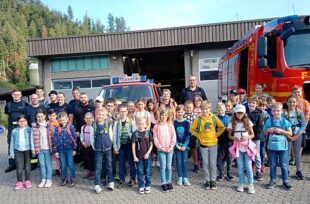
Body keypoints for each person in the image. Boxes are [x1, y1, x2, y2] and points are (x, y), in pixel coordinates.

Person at [190, 101, 225, 190]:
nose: (205, 111)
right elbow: (192, 129)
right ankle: (207, 180)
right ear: (200, 110)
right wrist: (199, 136)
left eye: (206, 109)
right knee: (205, 163)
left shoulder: (214, 117)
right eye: (203, 109)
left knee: (213, 164)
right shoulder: (198, 119)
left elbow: (222, 127)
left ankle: (213, 181)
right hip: (203, 144)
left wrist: (216, 135)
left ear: (210, 109)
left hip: (213, 144)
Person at [263, 102, 293, 190]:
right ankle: (272, 180)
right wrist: (268, 130)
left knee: (283, 164)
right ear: (271, 111)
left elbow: (290, 133)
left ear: (282, 111)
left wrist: (281, 131)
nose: (276, 112)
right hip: (272, 147)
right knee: (273, 164)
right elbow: (264, 132)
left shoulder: (284, 121)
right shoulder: (269, 121)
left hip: (283, 147)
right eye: (274, 111)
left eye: (278, 111)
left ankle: (285, 181)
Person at [228, 104, 256, 194]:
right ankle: (241, 183)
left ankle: (251, 184)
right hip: (238, 147)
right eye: (238, 113)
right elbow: (229, 135)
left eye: (241, 113)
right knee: (240, 166)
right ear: (235, 113)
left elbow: (253, 134)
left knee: (248, 166)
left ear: (244, 113)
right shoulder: (232, 122)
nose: (239, 115)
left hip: (247, 147)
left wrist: (247, 137)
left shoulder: (248, 122)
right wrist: (234, 138)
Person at [4, 89, 29, 173]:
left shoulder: (25, 104)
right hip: (12, 127)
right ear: (12, 95)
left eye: (18, 94)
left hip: (23, 127)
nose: (16, 96)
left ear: (21, 95)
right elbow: (7, 115)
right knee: (11, 144)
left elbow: (27, 116)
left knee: (24, 144)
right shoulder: (8, 105)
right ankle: (12, 164)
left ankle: (25, 164)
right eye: (15, 94)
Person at [283, 95, 306, 180]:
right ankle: (286, 171)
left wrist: (297, 135)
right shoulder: (284, 113)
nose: (292, 103)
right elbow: (281, 125)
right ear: (287, 102)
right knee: (286, 154)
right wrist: (287, 135)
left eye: (293, 102)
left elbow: (303, 125)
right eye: (290, 102)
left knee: (297, 154)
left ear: (296, 103)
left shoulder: (300, 113)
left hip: (297, 135)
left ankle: (298, 171)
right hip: (287, 135)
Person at [113, 105, 136, 188]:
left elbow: (135, 134)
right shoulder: (116, 122)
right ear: (119, 112)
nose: (123, 113)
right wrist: (115, 147)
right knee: (121, 163)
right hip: (121, 146)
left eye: (124, 111)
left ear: (127, 112)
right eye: (121, 111)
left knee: (131, 162)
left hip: (129, 145)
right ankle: (121, 179)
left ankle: (132, 178)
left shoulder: (131, 121)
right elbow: (114, 135)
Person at [153, 109, 176, 192]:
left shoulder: (170, 125)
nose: (163, 117)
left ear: (167, 116)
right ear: (160, 116)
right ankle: (163, 183)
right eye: (162, 115)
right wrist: (160, 147)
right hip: (161, 149)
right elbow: (155, 138)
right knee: (163, 166)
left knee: (169, 166)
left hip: (169, 149)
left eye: (165, 115)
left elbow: (173, 136)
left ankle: (169, 181)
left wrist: (171, 146)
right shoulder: (156, 126)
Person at [53, 112, 78, 187]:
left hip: (69, 149)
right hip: (61, 150)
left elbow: (75, 138)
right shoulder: (57, 128)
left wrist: (75, 149)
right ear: (58, 120)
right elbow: (55, 140)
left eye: (64, 120)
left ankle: (72, 178)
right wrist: (56, 151)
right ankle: (64, 178)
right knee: (63, 164)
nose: (62, 122)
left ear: (67, 119)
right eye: (61, 120)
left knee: (70, 164)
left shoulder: (71, 127)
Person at [9, 115, 34, 190]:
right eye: (20, 121)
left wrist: (33, 150)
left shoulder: (29, 130)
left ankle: (27, 181)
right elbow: (12, 143)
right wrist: (11, 153)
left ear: (26, 121)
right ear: (17, 122)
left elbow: (32, 140)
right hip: (17, 150)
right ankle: (19, 182)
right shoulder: (14, 131)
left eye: (23, 121)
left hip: (27, 149)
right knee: (19, 167)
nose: (22, 122)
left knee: (27, 166)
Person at [93, 108, 114, 194]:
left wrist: (110, 144)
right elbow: (92, 137)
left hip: (108, 148)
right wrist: (94, 147)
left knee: (109, 165)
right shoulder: (94, 125)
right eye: (99, 114)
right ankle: (97, 185)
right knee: (98, 167)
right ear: (97, 115)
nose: (100, 116)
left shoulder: (108, 124)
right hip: (98, 149)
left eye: (102, 115)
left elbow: (111, 134)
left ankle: (111, 182)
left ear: (105, 116)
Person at [32, 109, 53, 188]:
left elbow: (53, 136)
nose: (40, 118)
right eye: (38, 117)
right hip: (39, 149)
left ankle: (49, 179)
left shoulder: (49, 125)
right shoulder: (34, 126)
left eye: (41, 116)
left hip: (47, 148)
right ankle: (43, 179)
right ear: (36, 117)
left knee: (48, 164)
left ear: (45, 116)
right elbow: (32, 138)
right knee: (42, 164)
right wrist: (33, 148)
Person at [132, 118, 153, 194]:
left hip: (147, 156)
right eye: (139, 124)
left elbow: (151, 144)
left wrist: (148, 153)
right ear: (137, 125)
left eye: (142, 124)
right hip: (139, 157)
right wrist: (134, 156)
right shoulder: (135, 133)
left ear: (145, 125)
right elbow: (133, 145)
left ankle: (147, 185)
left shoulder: (148, 133)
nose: (141, 125)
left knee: (148, 171)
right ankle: (141, 186)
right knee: (140, 172)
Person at [247, 96, 264, 181]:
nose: (251, 104)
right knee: (248, 154)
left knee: (256, 154)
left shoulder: (259, 113)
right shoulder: (245, 112)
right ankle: (249, 170)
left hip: (255, 137)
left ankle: (258, 171)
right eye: (250, 103)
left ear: (256, 104)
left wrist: (252, 132)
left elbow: (260, 127)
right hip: (246, 137)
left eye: (253, 103)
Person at [216, 102, 234, 181]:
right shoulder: (215, 118)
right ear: (217, 110)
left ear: (225, 109)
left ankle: (229, 173)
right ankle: (221, 173)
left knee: (229, 157)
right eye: (219, 110)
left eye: (222, 110)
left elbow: (232, 129)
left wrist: (228, 129)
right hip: (219, 141)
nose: (221, 111)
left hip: (228, 140)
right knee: (219, 157)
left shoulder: (229, 118)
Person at [174, 105, 191, 186]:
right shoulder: (174, 122)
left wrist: (185, 145)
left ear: (184, 112)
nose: (180, 113)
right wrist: (176, 144)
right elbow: (172, 135)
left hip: (185, 146)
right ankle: (180, 177)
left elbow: (188, 135)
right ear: (176, 113)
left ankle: (185, 177)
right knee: (178, 161)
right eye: (178, 112)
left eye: (181, 112)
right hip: (177, 145)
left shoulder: (186, 122)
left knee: (184, 161)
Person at [183, 100, 199, 173]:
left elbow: (197, 126)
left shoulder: (195, 116)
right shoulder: (183, 115)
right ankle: (184, 164)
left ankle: (196, 164)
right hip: (184, 135)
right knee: (185, 149)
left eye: (190, 108)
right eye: (187, 107)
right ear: (184, 107)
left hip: (192, 135)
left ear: (193, 108)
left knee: (193, 149)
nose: (188, 109)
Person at [80, 112, 95, 180]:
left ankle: (94, 172)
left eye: (89, 118)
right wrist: (84, 143)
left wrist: (91, 144)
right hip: (86, 146)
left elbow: (95, 137)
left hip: (93, 147)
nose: (88, 120)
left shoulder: (94, 127)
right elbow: (81, 137)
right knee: (88, 159)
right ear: (84, 119)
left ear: (93, 119)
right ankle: (90, 171)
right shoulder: (83, 127)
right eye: (86, 118)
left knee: (93, 159)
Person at [47, 109, 61, 177]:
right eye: (50, 115)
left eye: (53, 115)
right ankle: (56, 169)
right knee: (53, 158)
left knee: (58, 157)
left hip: (58, 143)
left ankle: (60, 170)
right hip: (50, 143)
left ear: (56, 116)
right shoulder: (46, 124)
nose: (51, 117)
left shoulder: (58, 123)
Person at [146, 99, 159, 168]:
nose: (150, 106)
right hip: (150, 130)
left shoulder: (157, 112)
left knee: (157, 145)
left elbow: (158, 122)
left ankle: (157, 160)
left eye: (152, 105)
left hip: (157, 131)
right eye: (149, 105)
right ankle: (153, 160)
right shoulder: (147, 113)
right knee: (151, 145)